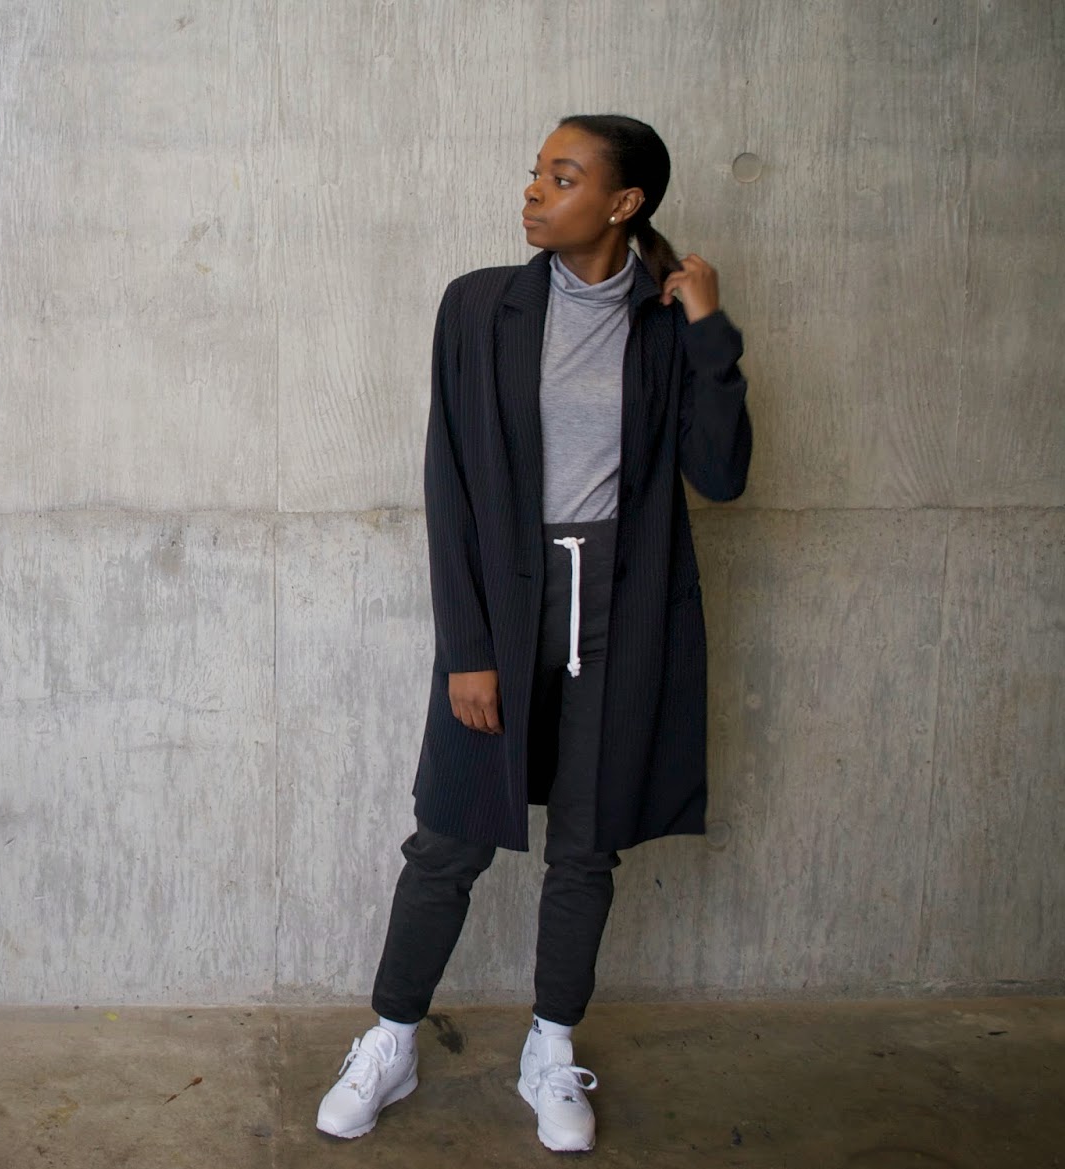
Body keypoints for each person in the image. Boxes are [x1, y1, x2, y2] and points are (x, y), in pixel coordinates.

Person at [315, 113, 752, 1153]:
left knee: (587, 845)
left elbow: (722, 472)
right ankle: (391, 1037)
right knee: (449, 834)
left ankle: (550, 1048)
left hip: (622, 606)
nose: (534, 192)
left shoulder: (664, 322)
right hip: (505, 606)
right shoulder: (480, 306)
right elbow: (451, 481)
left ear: (623, 202)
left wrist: (709, 330)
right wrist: (468, 648)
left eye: (562, 178)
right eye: (537, 174)